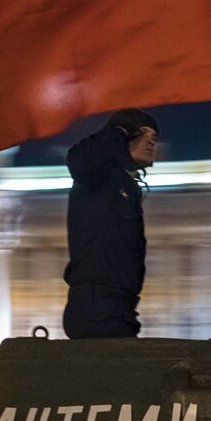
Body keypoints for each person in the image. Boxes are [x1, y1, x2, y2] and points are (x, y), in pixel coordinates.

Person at [62, 108, 159, 339]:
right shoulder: (98, 177)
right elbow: (79, 160)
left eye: (154, 138)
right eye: (142, 134)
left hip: (120, 307)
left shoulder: (127, 185)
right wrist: (119, 130)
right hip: (97, 307)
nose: (151, 142)